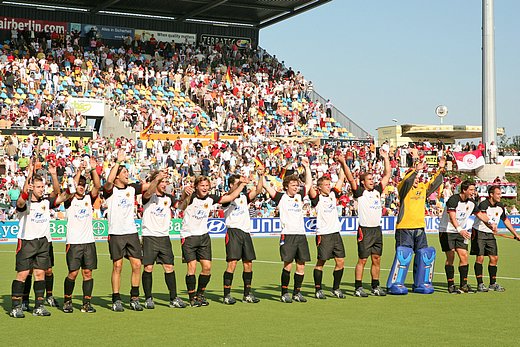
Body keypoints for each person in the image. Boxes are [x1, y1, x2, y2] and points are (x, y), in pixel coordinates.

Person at [9, 159, 69, 318]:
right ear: (31, 188)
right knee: (22, 274)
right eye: (39, 187)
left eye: (43, 187)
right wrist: (27, 183)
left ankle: (39, 306)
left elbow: (62, 196)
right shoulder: (25, 203)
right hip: (27, 241)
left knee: (40, 274)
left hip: (43, 242)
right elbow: (21, 202)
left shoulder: (46, 202)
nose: (42, 190)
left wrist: (57, 177)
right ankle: (16, 306)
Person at [178, 175, 248, 307]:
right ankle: (192, 298)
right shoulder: (191, 196)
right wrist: (184, 192)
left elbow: (230, 197)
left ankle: (200, 294)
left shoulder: (211, 198)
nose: (204, 188)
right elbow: (181, 206)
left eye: (206, 186)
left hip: (204, 236)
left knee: (207, 268)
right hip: (189, 236)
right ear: (196, 187)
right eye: (202, 186)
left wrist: (242, 185)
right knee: (192, 267)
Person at [387, 158, 445, 294]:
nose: (417, 179)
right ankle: (396, 283)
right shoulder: (403, 188)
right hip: (404, 228)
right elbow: (407, 181)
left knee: (424, 256)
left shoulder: (422, 188)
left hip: (419, 228)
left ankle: (421, 283)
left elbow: (435, 183)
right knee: (404, 256)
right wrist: (415, 170)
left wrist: (441, 168)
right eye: (415, 177)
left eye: (418, 177)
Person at [104, 149, 149, 312]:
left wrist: (159, 177)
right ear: (117, 176)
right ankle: (116, 299)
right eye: (124, 172)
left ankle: (134, 297)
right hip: (116, 233)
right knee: (118, 266)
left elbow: (148, 186)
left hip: (131, 232)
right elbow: (109, 180)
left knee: (137, 264)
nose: (127, 174)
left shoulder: (132, 189)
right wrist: (118, 162)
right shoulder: (110, 191)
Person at [262, 158, 312, 303]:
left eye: (297, 185)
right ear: (286, 186)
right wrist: (260, 174)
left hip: (301, 235)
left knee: (301, 265)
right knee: (288, 265)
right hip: (288, 235)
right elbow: (265, 185)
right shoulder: (280, 197)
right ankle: (284, 292)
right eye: (293, 185)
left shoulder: (299, 196)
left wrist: (307, 167)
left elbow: (308, 184)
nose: (296, 187)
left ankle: (297, 292)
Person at [343, 148, 391, 297]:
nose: (373, 181)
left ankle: (375, 286)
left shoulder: (377, 190)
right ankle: (358, 287)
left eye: (372, 179)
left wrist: (385, 158)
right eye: (369, 179)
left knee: (376, 259)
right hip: (365, 230)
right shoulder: (360, 192)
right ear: (363, 182)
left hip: (377, 230)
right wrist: (344, 163)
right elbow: (350, 178)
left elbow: (387, 174)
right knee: (362, 260)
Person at [438, 180, 494, 294]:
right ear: (464, 190)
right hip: (447, 231)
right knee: (451, 257)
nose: (473, 192)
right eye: (471, 190)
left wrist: (490, 222)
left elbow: (480, 214)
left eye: (474, 190)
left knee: (464, 256)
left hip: (460, 232)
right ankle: (451, 285)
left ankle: (463, 284)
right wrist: (460, 230)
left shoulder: (472, 202)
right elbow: (452, 217)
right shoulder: (453, 200)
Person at [141, 169, 186, 309]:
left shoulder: (169, 198)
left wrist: (186, 195)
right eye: (162, 181)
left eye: (166, 182)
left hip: (164, 238)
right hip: (149, 236)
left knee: (169, 267)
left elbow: (182, 206)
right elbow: (148, 192)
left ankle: (173, 298)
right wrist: (156, 179)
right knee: (148, 268)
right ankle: (148, 298)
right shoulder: (147, 196)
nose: (164, 184)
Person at [308, 154, 350, 299]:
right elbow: (310, 189)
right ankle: (318, 289)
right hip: (324, 234)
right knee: (321, 262)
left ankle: (336, 288)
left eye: (329, 184)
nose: (329, 186)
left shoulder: (333, 195)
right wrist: (307, 167)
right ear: (319, 188)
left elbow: (341, 179)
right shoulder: (317, 199)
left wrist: (343, 163)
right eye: (326, 185)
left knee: (341, 261)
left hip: (335, 233)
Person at [62, 156, 101, 313]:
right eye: (79, 185)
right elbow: (70, 189)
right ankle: (67, 301)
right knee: (73, 273)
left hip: (88, 242)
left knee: (87, 272)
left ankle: (86, 303)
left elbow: (97, 186)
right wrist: (78, 172)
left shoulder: (88, 198)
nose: (81, 187)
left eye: (83, 185)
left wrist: (92, 169)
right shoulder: (69, 200)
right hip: (74, 242)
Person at [221, 167, 264, 305]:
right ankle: (227, 295)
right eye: (237, 182)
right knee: (232, 263)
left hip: (245, 233)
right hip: (233, 232)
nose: (240, 184)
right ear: (231, 185)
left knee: (248, 264)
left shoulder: (244, 197)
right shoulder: (226, 197)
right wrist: (242, 183)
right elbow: (231, 195)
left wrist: (261, 176)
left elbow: (258, 190)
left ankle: (247, 294)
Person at [471, 185, 520, 292]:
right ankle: (480, 284)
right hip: (479, 232)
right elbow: (483, 217)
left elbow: (505, 220)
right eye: (498, 194)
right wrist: (491, 225)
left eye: (500, 194)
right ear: (491, 195)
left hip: (490, 234)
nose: (500, 196)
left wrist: (516, 234)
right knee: (480, 258)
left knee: (494, 258)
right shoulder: (484, 204)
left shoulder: (500, 206)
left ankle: (492, 284)